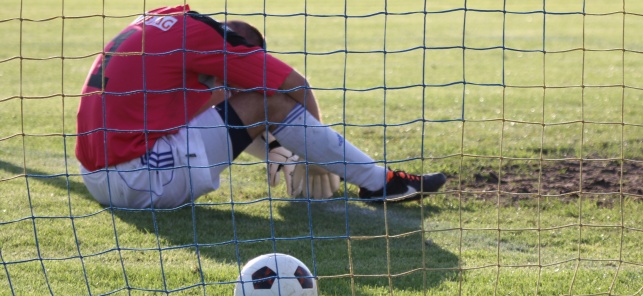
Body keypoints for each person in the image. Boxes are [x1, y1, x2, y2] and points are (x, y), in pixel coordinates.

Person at [75, 5, 446, 209]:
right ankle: (380, 183)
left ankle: (293, 153)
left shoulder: (157, 24)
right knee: (269, 98)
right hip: (142, 180)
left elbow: (216, 107)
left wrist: (275, 148)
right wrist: (312, 161)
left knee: (238, 103)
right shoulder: (214, 40)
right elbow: (295, 87)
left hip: (98, 180)